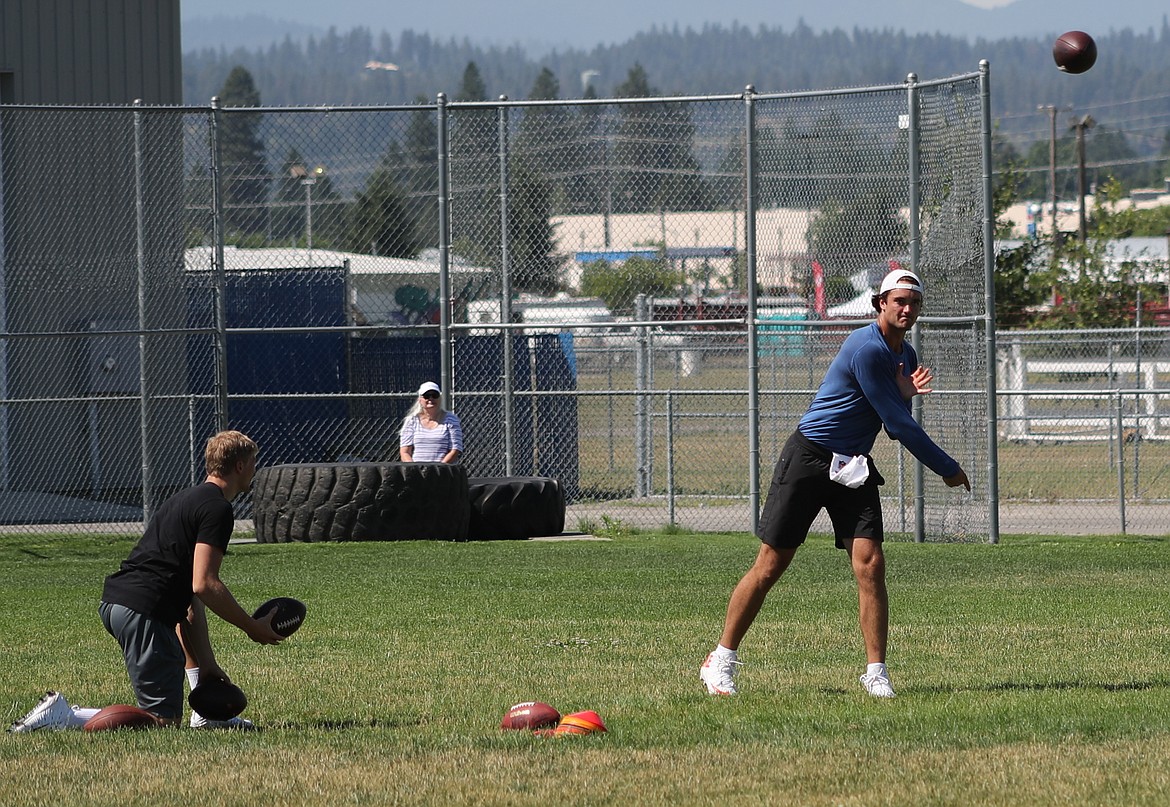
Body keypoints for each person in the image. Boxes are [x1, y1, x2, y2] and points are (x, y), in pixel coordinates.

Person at [700, 269, 970, 700]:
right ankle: (721, 659)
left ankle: (876, 673)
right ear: (879, 303)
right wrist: (947, 467)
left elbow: (882, 405)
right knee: (771, 563)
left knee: (871, 564)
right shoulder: (866, 347)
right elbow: (897, 424)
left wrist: (901, 392)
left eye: (914, 302)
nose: (907, 309)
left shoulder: (907, 355)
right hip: (809, 458)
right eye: (898, 300)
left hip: (853, 467)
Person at [8, 430, 286, 733]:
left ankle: (204, 717)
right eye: (253, 462)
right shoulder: (217, 508)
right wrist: (252, 627)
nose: (255, 470)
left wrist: (205, 666)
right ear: (240, 466)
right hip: (142, 610)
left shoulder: (185, 498)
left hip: (122, 603)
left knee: (163, 716)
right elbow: (205, 584)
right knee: (162, 722)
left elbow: (191, 602)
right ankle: (64, 716)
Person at [399, 381, 463, 463]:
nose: (431, 398)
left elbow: (454, 450)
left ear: (439, 398)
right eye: (427, 396)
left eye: (434, 395)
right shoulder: (411, 421)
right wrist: (414, 470)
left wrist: (438, 469)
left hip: (443, 471)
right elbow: (405, 452)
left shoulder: (451, 419)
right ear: (420, 400)